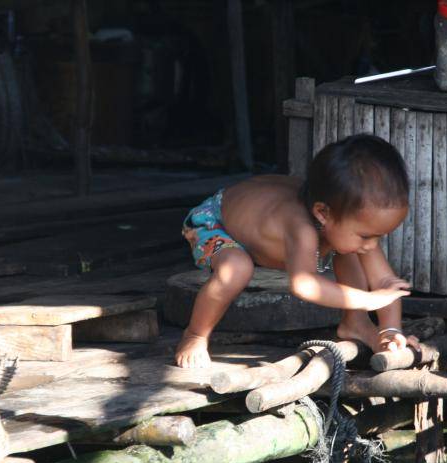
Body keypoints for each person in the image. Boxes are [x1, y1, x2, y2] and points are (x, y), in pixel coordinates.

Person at [176, 134, 420, 368]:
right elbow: (304, 285)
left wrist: (391, 330)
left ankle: (356, 324)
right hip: (216, 222)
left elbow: (386, 282)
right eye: (367, 236)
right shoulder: (301, 228)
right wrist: (369, 299)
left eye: (379, 236)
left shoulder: (346, 221)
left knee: (350, 250)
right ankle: (196, 334)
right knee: (237, 268)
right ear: (322, 213)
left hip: (267, 207)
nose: (372, 245)